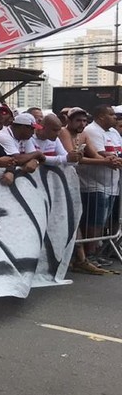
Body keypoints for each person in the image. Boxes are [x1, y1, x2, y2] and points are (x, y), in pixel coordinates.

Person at [75, 105, 122, 273]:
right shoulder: (93, 130)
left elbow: (118, 154)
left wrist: (116, 160)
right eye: (111, 114)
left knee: (103, 221)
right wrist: (112, 161)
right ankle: (89, 254)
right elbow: (100, 155)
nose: (115, 117)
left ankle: (96, 252)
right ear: (101, 116)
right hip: (94, 184)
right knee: (93, 221)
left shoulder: (113, 133)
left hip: (111, 184)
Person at [0, 112, 45, 180]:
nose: (33, 132)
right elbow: (17, 159)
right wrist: (38, 153)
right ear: (23, 127)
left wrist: (35, 161)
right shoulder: (3, 136)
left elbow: (34, 156)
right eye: (32, 128)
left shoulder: (25, 137)